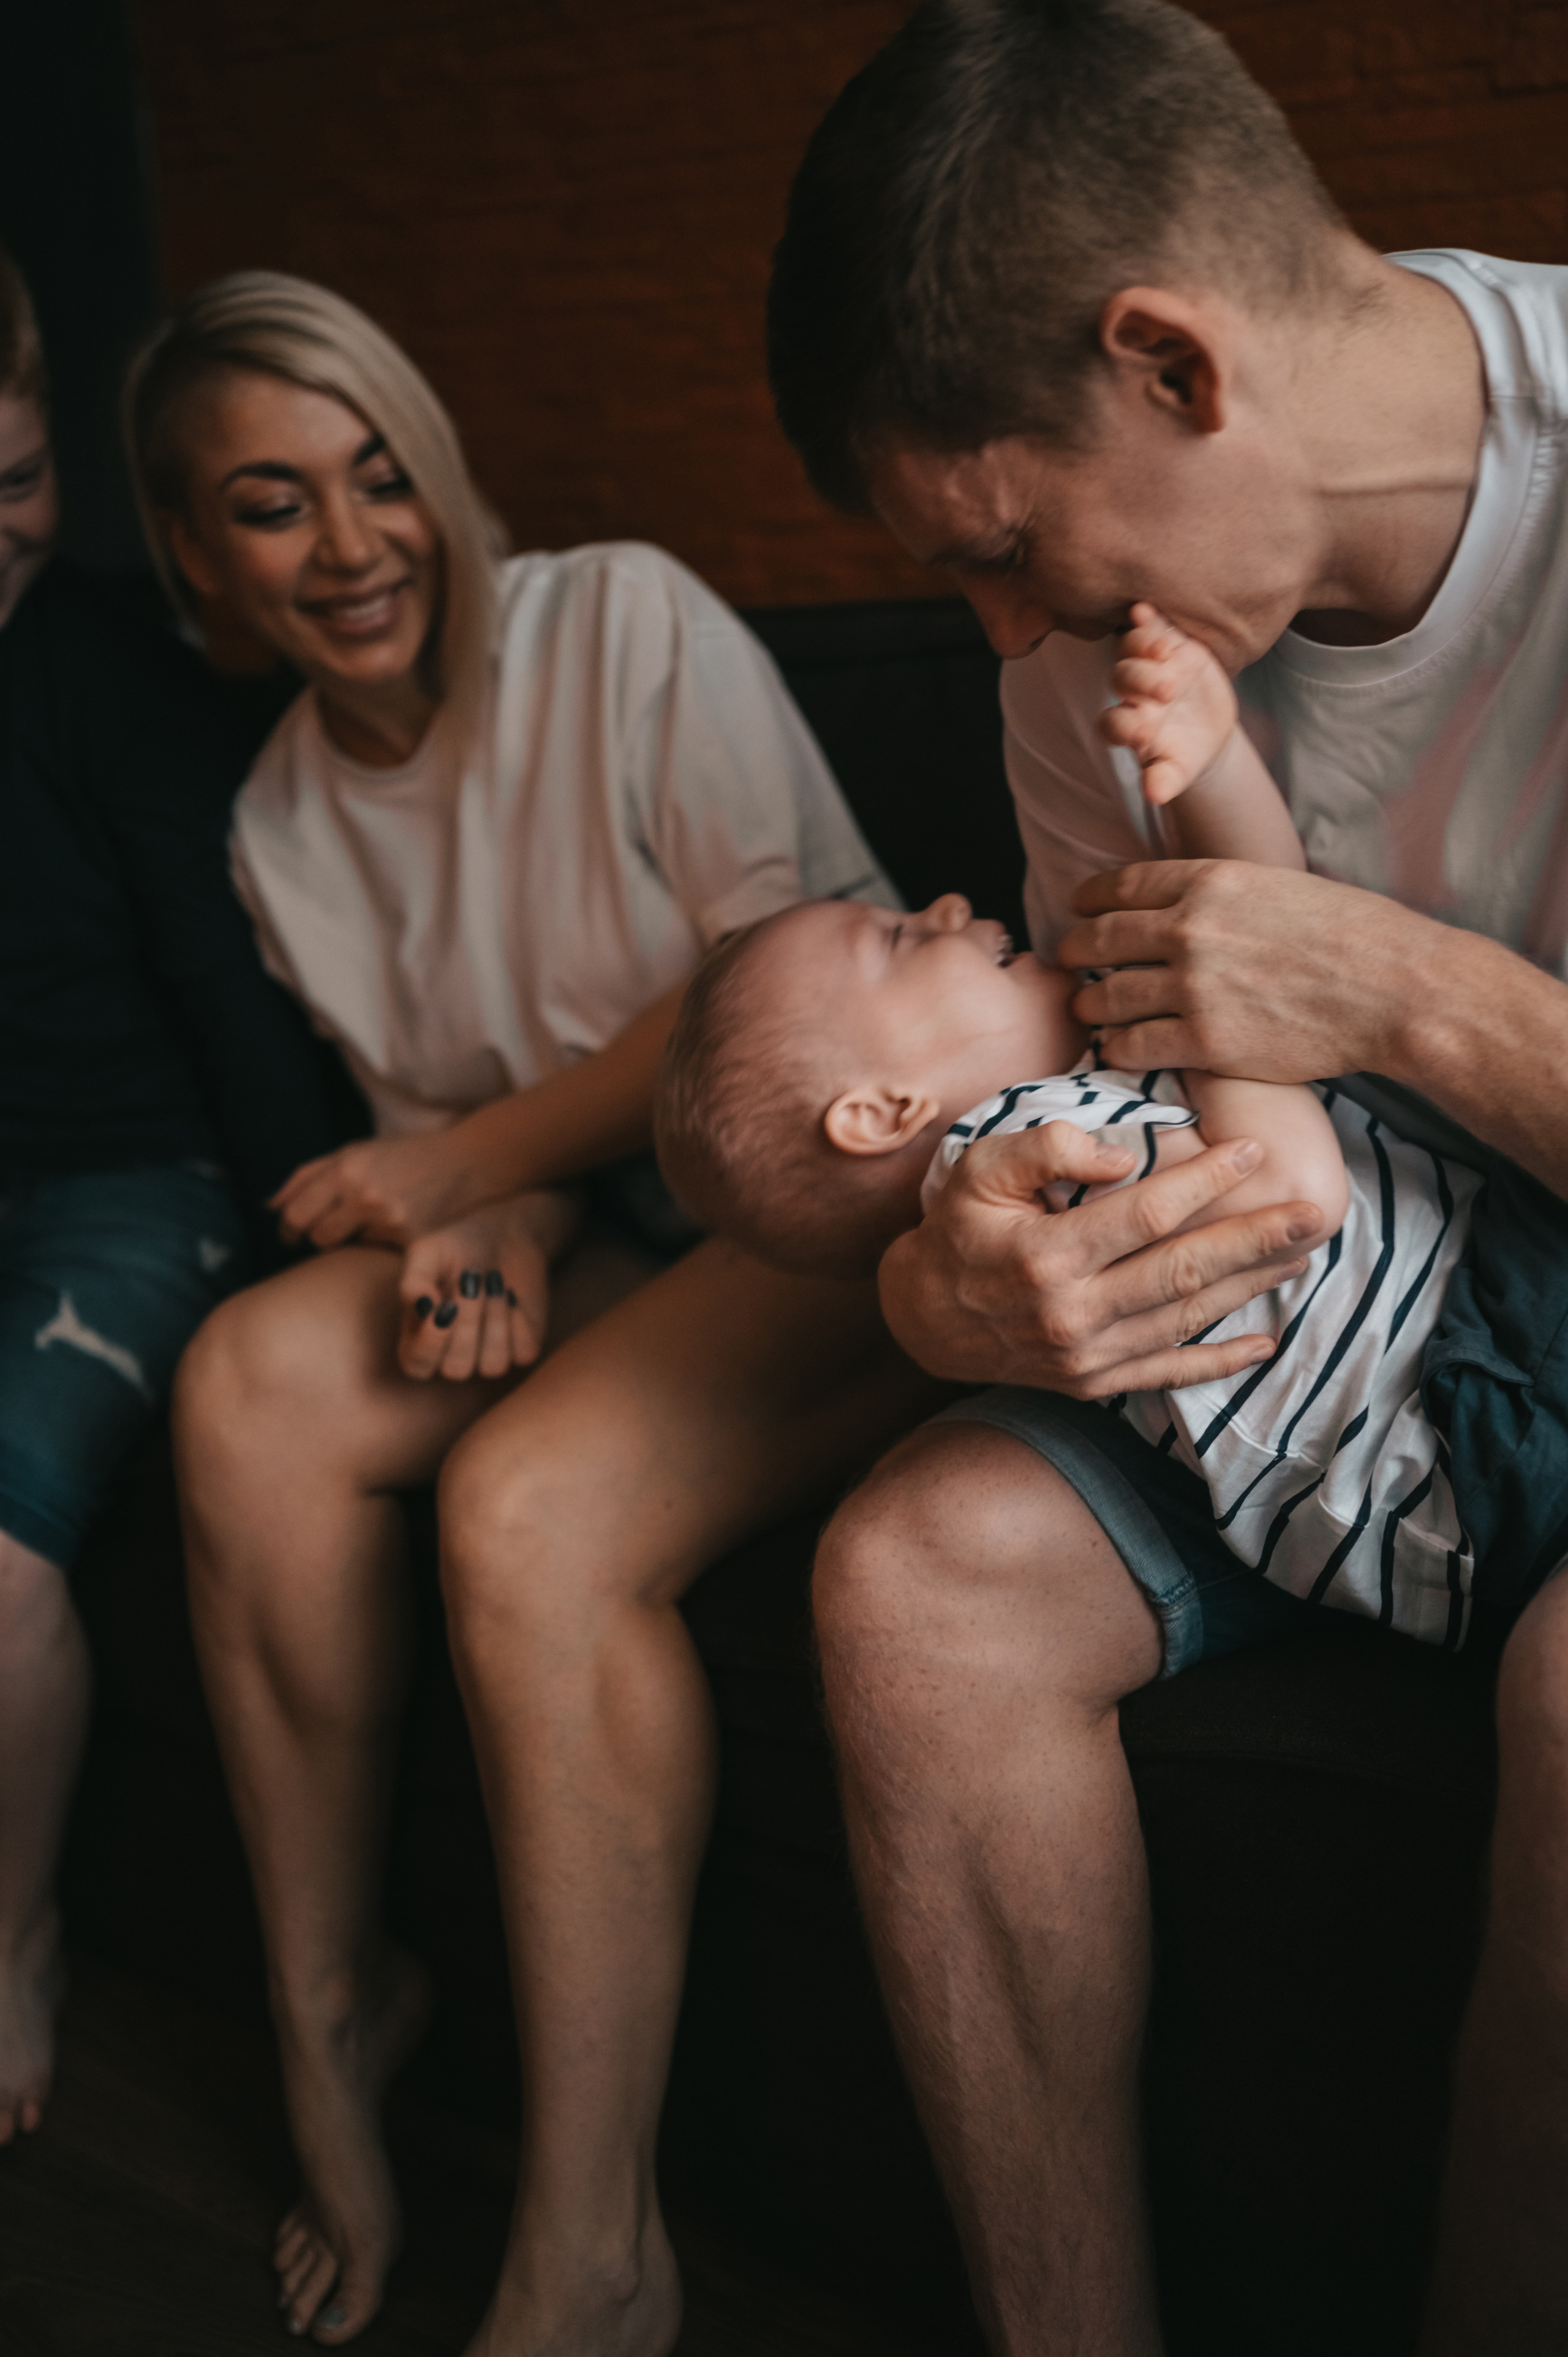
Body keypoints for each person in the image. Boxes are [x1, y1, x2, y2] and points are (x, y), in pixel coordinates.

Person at [765, 2, 1568, 2350]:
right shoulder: (1087, 675)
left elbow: (1316, 1025)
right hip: (1361, 1334)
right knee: (917, 1577)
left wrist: (1393, 990)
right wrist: (964, 1286)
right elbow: (1150, 1096)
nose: (1007, 635)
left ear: (1172, 365)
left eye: (1008, 543)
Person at [126, 269, 932, 2351]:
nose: (354, 542)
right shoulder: (283, 821)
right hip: (600, 1228)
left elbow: (764, 990)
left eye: (382, 478)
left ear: (441, 474)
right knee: (242, 1382)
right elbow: (456, 1130)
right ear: (198, 551)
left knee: (522, 1504)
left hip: (838, 1197)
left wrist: (469, 1172)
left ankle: (596, 2243)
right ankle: (331, 2006)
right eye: (275, 503)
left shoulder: (626, 624)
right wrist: (489, 1217)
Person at [657, 605, 1548, 1649]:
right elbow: (1284, 1201)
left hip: (1479, 1364)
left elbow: (1263, 920)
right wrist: (1223, 1011)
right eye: (900, 939)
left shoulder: (1096, 1079)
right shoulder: (1033, 1154)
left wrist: (1208, 760)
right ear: (881, 1114)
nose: (946, 903)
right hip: (1476, 1423)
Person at [0, 246, 344, 2151]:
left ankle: (16, 1941)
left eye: (18, 479)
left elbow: (232, 974)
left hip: (148, 1178)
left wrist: (301, 1198)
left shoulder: (111, 670)